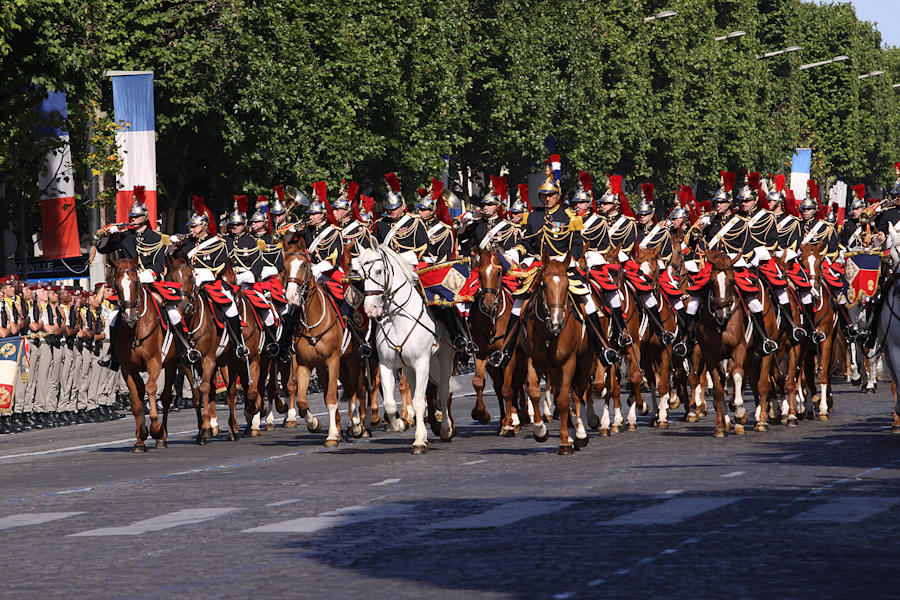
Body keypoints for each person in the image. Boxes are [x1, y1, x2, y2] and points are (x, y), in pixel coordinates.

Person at [490, 160, 618, 368]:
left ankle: (603, 347)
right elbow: (527, 242)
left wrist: (569, 260)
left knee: (588, 300)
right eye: (544, 195)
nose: (547, 199)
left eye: (550, 195)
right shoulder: (533, 217)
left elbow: (577, 244)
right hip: (540, 267)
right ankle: (505, 350)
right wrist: (516, 251)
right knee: (517, 303)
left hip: (563, 267)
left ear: (558, 195)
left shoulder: (569, 217)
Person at [171, 200, 250, 358]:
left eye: (195, 226)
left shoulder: (218, 244)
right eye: (191, 226)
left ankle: (238, 344)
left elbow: (220, 266)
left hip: (210, 283)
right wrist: (172, 247)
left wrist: (201, 275)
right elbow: (176, 264)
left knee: (230, 306)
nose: (191, 229)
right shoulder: (186, 244)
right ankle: (179, 350)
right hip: (189, 285)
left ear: (204, 226)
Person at [374, 172, 429, 266]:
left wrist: (404, 257)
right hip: (388, 265)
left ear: (403, 206)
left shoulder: (414, 222)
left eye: (395, 208)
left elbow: (424, 246)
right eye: (390, 209)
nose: (393, 211)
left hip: (409, 264)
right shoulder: (381, 223)